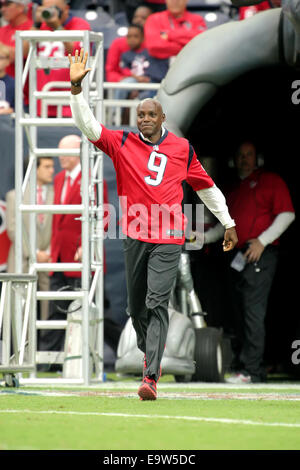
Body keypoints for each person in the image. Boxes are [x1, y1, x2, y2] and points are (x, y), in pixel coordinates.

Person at [68, 48, 238, 400]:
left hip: (169, 236)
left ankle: (150, 377)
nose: (145, 119)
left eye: (151, 114)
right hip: (133, 234)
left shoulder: (181, 148)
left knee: (157, 302)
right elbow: (88, 125)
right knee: (136, 307)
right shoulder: (122, 142)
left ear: (162, 117)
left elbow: (206, 187)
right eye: (140, 114)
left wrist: (228, 222)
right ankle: (153, 353)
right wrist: (75, 90)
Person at [203, 141, 295, 383]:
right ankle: (247, 367)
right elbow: (224, 227)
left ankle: (252, 371)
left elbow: (287, 214)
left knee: (253, 312)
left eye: (249, 155)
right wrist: (200, 238)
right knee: (241, 312)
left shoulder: (271, 181)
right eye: (240, 155)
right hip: (238, 255)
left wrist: (262, 242)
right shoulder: (234, 189)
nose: (244, 159)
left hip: (259, 254)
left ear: (258, 159)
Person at [6, 156, 54, 331]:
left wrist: (48, 252)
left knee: (48, 310)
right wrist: (34, 252)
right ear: (35, 169)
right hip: (23, 261)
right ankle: (23, 355)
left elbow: (58, 227)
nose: (52, 170)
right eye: (47, 166)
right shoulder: (14, 196)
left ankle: (45, 350)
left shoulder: (56, 196)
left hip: (48, 261)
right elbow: (13, 229)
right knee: (21, 311)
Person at [29, 0, 90, 117]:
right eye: (45, 8)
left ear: (66, 9)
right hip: (41, 101)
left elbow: (76, 52)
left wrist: (57, 26)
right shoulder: (40, 26)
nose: (50, 12)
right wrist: (36, 24)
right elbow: (23, 52)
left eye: (54, 8)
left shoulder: (79, 24)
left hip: (69, 103)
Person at [115, 23, 169, 103]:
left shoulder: (150, 53)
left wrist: (147, 79)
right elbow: (124, 69)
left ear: (143, 38)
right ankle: (115, 111)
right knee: (126, 83)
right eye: (129, 37)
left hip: (149, 83)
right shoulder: (126, 55)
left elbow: (157, 72)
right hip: (134, 82)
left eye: (136, 36)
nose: (132, 39)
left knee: (148, 95)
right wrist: (136, 78)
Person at [105, 5, 153, 83]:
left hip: (149, 84)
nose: (138, 20)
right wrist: (125, 81)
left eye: (143, 18)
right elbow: (111, 72)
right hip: (125, 85)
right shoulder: (118, 43)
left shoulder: (156, 43)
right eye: (136, 17)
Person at [0, 43, 15, 114]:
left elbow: (20, 110)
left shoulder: (14, 84)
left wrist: (8, 111)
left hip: (7, 123)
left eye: (0, 58)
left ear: (8, 61)